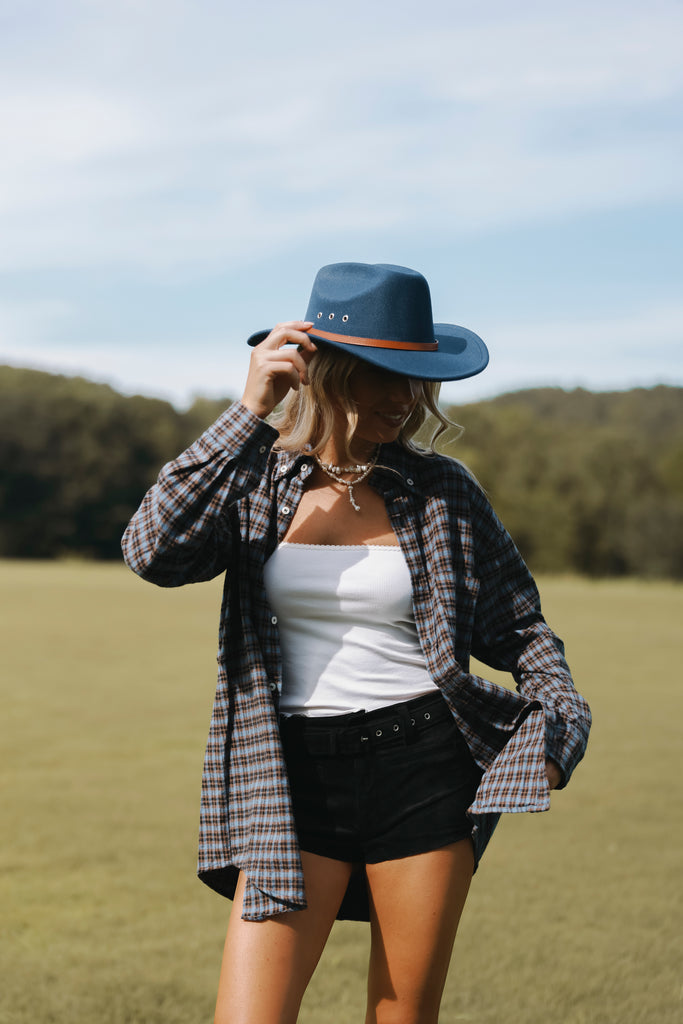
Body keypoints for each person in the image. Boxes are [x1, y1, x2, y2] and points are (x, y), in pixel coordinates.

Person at [122, 262, 591, 1024]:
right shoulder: (257, 481)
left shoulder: (443, 491)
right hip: (289, 778)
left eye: (416, 377)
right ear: (320, 370)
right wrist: (248, 411)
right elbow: (152, 551)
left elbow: (523, 630)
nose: (404, 397)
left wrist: (556, 732)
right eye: (380, 372)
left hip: (425, 771)